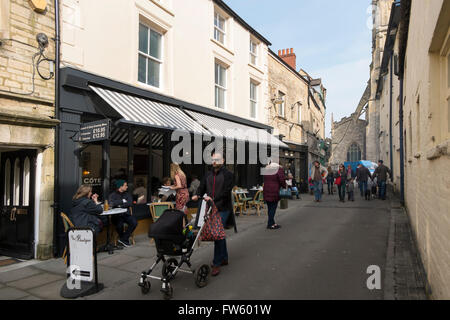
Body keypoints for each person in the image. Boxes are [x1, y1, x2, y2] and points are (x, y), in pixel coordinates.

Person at [192, 152, 234, 277]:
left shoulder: (228, 174)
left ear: (223, 160)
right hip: (210, 207)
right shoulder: (208, 174)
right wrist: (198, 195)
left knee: (216, 233)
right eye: (213, 159)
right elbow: (202, 187)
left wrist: (213, 199)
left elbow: (226, 191)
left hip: (223, 208)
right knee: (219, 232)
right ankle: (224, 257)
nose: (214, 161)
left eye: (217, 159)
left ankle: (216, 263)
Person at [108, 180, 137, 247]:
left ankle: (123, 239)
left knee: (134, 222)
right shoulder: (112, 195)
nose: (127, 187)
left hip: (126, 214)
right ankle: (123, 239)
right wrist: (122, 201)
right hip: (116, 216)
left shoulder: (127, 194)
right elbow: (111, 204)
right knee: (119, 225)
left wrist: (119, 205)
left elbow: (130, 203)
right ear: (120, 186)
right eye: (125, 185)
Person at [263, 160, 287, 230]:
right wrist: (284, 186)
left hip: (266, 189)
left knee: (270, 208)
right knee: (273, 208)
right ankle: (270, 224)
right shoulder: (278, 169)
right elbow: (282, 180)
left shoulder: (266, 169)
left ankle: (272, 223)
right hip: (274, 190)